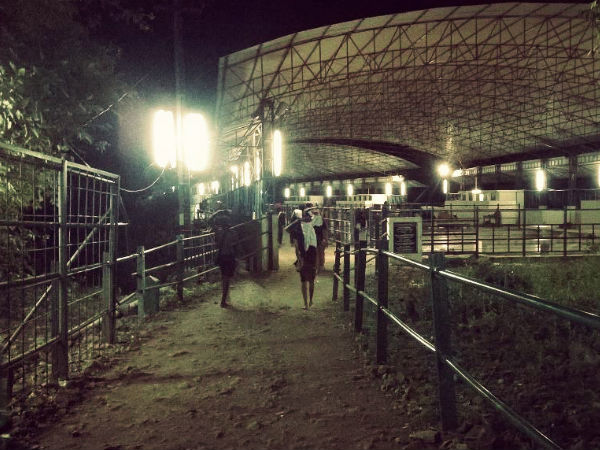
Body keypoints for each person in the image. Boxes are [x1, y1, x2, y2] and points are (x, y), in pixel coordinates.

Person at [213, 211, 238, 308]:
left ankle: (225, 298)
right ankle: (224, 300)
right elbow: (236, 245)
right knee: (227, 279)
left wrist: (217, 213)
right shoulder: (233, 233)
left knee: (224, 277)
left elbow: (216, 244)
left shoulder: (218, 233)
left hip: (222, 257)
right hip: (230, 256)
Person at [309, 207, 328, 272]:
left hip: (315, 239)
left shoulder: (311, 220)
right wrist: (325, 239)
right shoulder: (321, 220)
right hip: (320, 238)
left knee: (316, 252)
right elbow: (325, 230)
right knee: (320, 252)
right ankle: (320, 266)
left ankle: (317, 266)